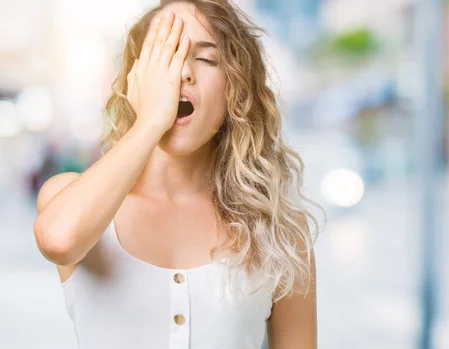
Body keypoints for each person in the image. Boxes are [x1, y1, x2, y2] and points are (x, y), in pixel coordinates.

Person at [33, 1, 320, 348]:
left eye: (206, 58)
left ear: (236, 89)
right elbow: (59, 240)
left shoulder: (280, 231)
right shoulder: (69, 197)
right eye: (164, 56)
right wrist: (151, 120)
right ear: (136, 79)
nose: (182, 72)